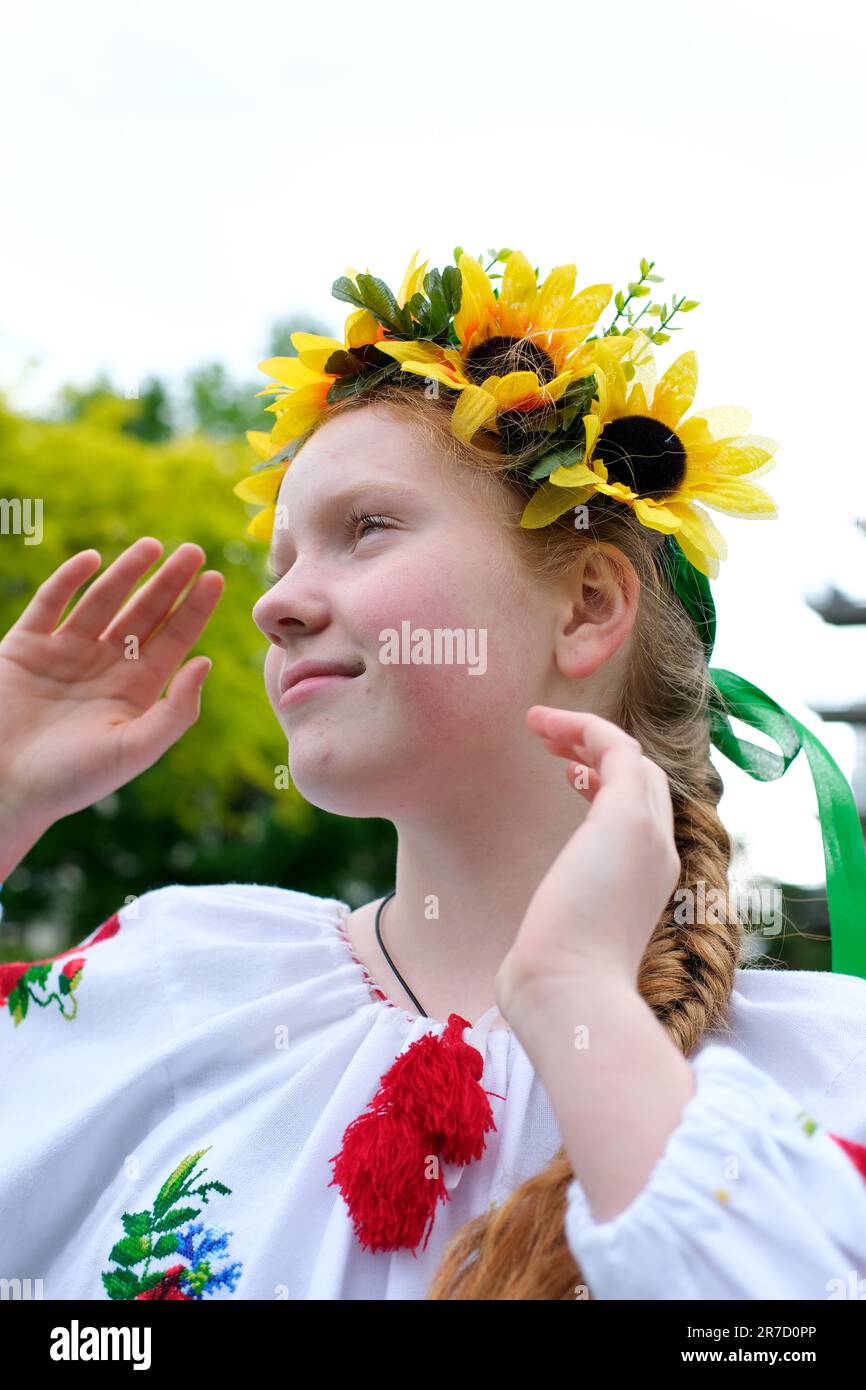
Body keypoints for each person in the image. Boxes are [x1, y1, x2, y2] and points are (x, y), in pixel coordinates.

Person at [2, 248, 866, 1302]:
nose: (275, 606)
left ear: (588, 604)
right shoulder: (173, 972)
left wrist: (568, 997)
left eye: (362, 529)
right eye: (281, 563)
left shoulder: (828, 1083)